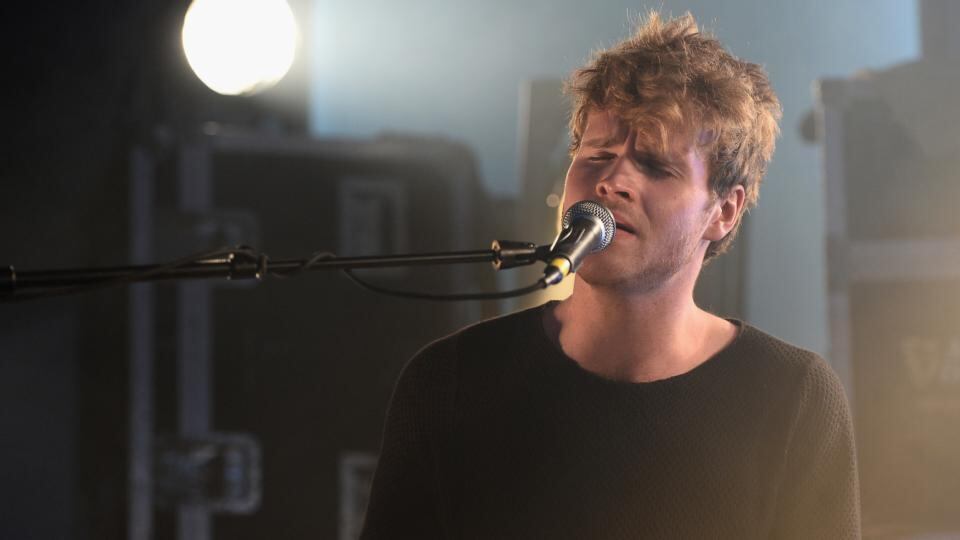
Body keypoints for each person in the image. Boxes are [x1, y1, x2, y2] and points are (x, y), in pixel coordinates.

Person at [361, 11, 860, 540]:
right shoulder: (449, 382)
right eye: (596, 155)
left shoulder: (792, 396)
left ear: (724, 211)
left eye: (656, 166)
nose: (612, 179)